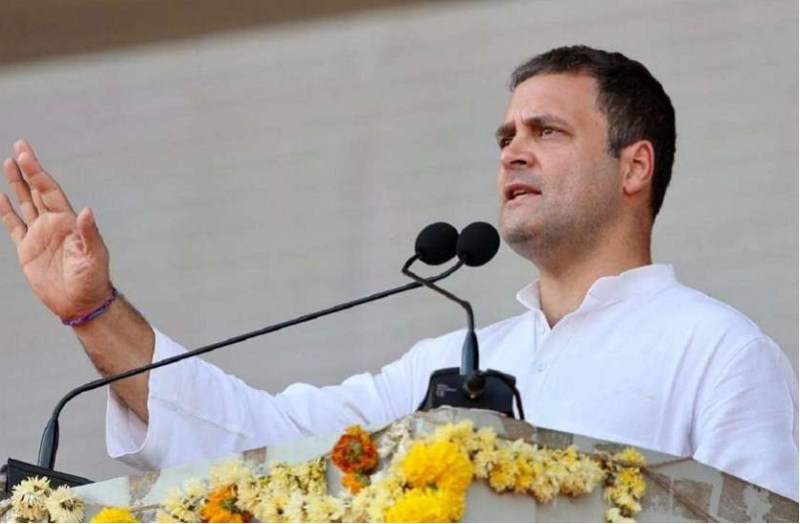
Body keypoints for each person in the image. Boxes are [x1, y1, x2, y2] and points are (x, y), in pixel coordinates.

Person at [1, 46, 797, 501]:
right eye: (505, 137)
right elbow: (260, 442)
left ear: (635, 167)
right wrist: (95, 312)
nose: (513, 153)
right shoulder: (448, 368)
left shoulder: (716, 350)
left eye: (546, 131)